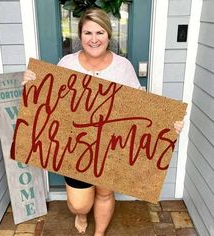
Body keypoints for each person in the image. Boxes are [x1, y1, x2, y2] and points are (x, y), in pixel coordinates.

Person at [23, 8, 184, 236]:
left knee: (105, 193)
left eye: (100, 32)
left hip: (109, 144)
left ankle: (99, 233)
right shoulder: (67, 63)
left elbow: (141, 107)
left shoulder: (123, 66)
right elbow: (50, 101)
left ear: (109, 35)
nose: (94, 39)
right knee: (80, 204)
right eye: (88, 33)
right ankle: (82, 213)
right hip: (75, 145)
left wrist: (167, 123)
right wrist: (32, 84)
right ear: (80, 35)